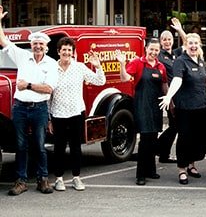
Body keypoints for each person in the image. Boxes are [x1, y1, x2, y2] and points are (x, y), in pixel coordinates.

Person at [0, 10, 58, 196]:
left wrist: (29, 85)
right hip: (20, 108)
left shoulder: (51, 64)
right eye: (35, 44)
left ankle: (43, 179)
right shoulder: (23, 57)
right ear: (31, 46)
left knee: (40, 146)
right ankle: (21, 181)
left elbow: (49, 88)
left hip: (39, 109)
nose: (38, 46)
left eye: (41, 44)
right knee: (20, 146)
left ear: (46, 47)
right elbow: (3, 41)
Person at [49, 36, 106, 192]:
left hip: (76, 113)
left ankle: (76, 178)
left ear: (73, 52)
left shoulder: (79, 67)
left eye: (69, 50)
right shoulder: (51, 68)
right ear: (58, 52)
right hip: (58, 114)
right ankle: (59, 179)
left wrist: (98, 66)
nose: (66, 53)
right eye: (64, 50)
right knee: (59, 148)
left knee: (75, 147)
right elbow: (48, 95)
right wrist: (49, 118)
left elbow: (100, 81)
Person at [159, 33, 206, 184]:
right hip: (185, 108)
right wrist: (169, 96)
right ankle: (182, 169)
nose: (193, 46)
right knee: (185, 138)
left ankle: (191, 164)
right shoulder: (181, 61)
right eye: (190, 43)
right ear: (186, 45)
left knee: (200, 138)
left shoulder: (200, 61)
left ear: (199, 45)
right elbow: (177, 79)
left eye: (196, 43)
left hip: (201, 106)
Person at [116, 38, 167, 185]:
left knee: (153, 138)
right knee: (145, 140)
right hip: (142, 106)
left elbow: (164, 84)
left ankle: (151, 170)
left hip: (156, 106)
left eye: (156, 50)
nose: (154, 52)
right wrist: (122, 63)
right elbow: (124, 78)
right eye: (151, 49)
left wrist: (169, 100)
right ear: (146, 48)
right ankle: (141, 174)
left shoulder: (161, 66)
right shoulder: (138, 63)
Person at [156, 17, 188, 164]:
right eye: (164, 40)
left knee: (175, 126)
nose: (167, 42)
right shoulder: (160, 57)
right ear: (161, 42)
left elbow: (188, 43)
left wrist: (180, 29)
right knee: (175, 125)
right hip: (170, 95)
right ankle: (160, 150)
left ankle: (162, 152)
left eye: (169, 39)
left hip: (182, 94)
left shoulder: (176, 53)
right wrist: (169, 97)